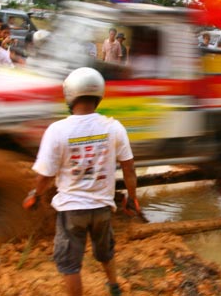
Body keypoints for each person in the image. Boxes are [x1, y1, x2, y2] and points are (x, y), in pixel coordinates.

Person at [23, 67, 139, 296]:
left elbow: (45, 175)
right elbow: (129, 168)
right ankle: (114, 287)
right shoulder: (113, 127)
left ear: (71, 95)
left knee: (70, 264)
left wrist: (35, 195)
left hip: (71, 210)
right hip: (103, 208)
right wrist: (132, 199)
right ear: (98, 95)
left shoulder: (58, 130)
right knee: (105, 251)